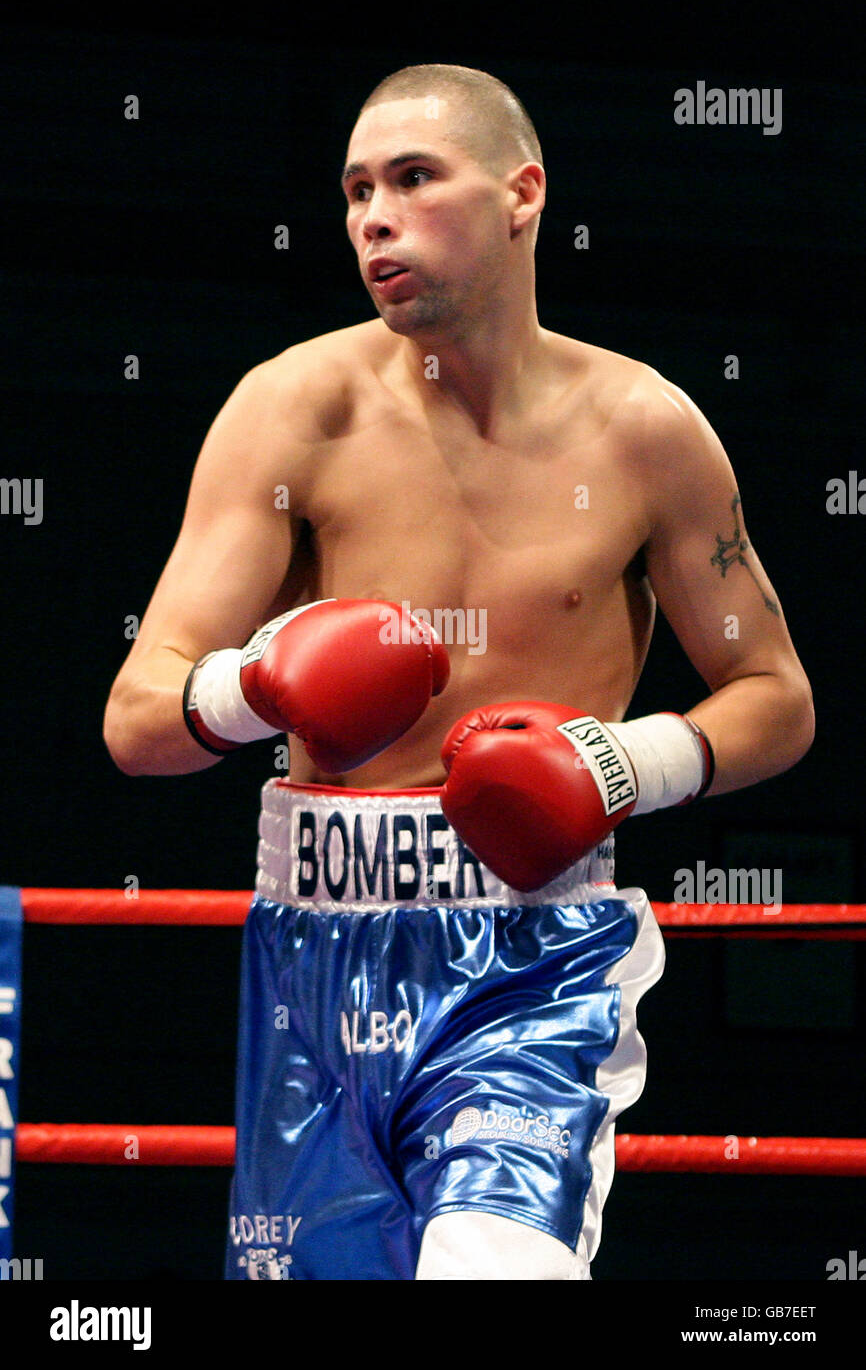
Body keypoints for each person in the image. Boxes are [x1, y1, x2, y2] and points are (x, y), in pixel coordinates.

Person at [103, 64, 814, 1280]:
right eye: (354, 190)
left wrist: (621, 762)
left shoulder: (644, 429)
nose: (372, 216)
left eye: (413, 178)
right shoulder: (292, 411)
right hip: (315, 964)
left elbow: (776, 699)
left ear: (521, 193)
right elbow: (135, 715)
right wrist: (257, 683)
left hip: (533, 960)